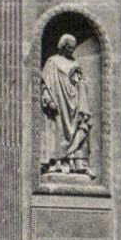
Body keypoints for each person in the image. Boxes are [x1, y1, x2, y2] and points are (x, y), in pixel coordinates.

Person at [41, 35, 93, 175]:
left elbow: (79, 81)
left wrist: (82, 84)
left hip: (73, 103)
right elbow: (45, 83)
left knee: (75, 131)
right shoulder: (52, 62)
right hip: (59, 103)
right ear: (63, 46)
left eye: (73, 48)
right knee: (57, 131)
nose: (72, 50)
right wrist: (48, 99)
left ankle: (71, 161)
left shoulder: (74, 63)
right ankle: (56, 162)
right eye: (69, 47)